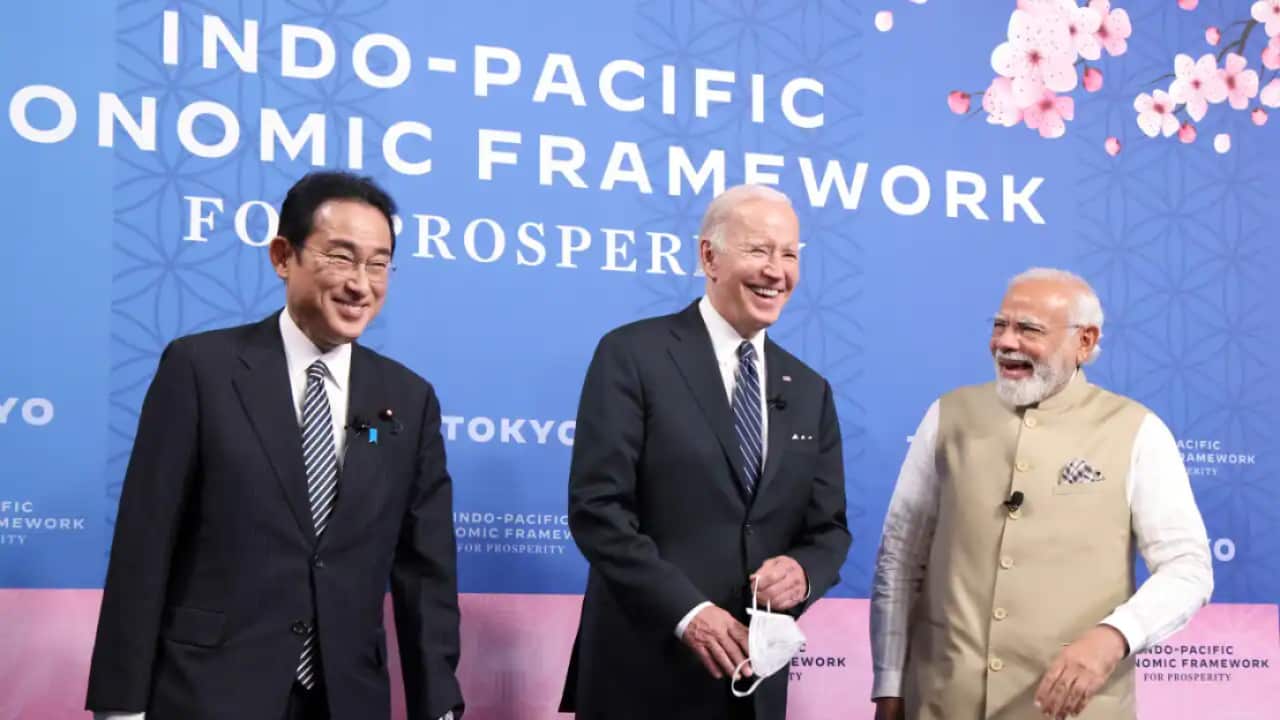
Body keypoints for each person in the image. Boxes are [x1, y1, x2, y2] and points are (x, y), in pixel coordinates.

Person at [86, 171, 463, 720]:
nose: (361, 283)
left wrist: (439, 705)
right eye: (341, 257)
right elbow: (145, 543)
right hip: (208, 692)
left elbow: (425, 570)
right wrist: (120, 705)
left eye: (378, 264)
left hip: (346, 697)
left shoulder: (407, 399)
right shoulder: (201, 370)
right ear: (284, 256)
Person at [560, 184, 852, 720]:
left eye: (789, 254)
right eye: (759, 250)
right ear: (708, 256)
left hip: (753, 689)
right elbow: (598, 510)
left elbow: (828, 528)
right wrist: (689, 612)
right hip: (641, 677)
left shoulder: (810, 390)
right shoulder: (632, 355)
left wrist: (804, 572)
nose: (776, 271)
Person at [870, 268, 1213, 720]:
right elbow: (900, 556)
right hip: (939, 703)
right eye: (1000, 325)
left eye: (1028, 329)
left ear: (1085, 342)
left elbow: (1187, 569)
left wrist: (1115, 636)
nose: (1006, 342)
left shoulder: (1138, 432)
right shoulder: (946, 416)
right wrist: (890, 684)